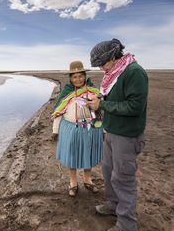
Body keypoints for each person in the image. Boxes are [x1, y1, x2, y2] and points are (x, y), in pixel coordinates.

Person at [88, 39, 148, 231]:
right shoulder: (114, 72)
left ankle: (126, 225)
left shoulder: (134, 72)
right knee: (108, 172)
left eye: (102, 63)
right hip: (111, 132)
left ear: (113, 57)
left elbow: (134, 107)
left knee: (123, 179)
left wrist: (102, 105)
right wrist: (101, 97)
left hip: (127, 136)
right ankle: (113, 206)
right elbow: (115, 97)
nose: (100, 69)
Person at [52, 60, 103, 197]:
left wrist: (103, 129)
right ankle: (73, 182)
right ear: (70, 78)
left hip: (91, 128)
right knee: (72, 156)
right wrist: (55, 130)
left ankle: (87, 179)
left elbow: (100, 111)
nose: (78, 79)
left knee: (89, 154)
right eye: (74, 76)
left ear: (85, 76)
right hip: (71, 129)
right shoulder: (66, 93)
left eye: (80, 76)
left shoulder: (94, 91)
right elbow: (58, 112)